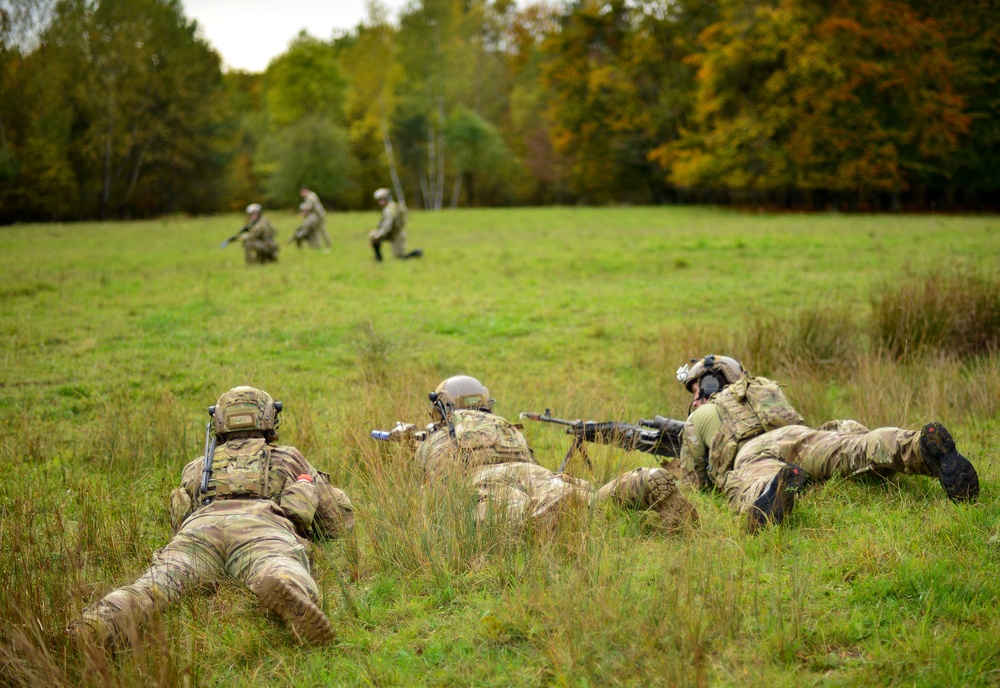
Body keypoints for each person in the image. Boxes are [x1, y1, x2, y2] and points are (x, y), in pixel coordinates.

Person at [68, 386, 355, 648]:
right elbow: (336, 524)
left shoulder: (197, 467)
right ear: (269, 418)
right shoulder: (288, 458)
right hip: (262, 527)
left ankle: (95, 624)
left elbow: (181, 515)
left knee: (154, 586)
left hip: (198, 533)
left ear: (219, 422)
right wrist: (309, 487)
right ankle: (284, 586)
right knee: (278, 564)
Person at [673, 355, 980, 531]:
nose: (694, 397)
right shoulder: (761, 390)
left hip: (750, 453)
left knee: (754, 483)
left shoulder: (700, 416)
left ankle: (773, 492)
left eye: (696, 388)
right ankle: (918, 446)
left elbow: (693, 485)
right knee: (851, 449)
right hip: (798, 434)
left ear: (710, 383)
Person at [387, 376, 696, 531]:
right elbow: (530, 460)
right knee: (591, 500)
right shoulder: (505, 425)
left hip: (484, 482)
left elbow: (433, 487)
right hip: (536, 474)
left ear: (442, 406)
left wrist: (409, 446)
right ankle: (637, 484)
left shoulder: (438, 435)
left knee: (508, 517)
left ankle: (547, 514)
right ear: (485, 403)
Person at [369, 187, 422, 261]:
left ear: (386, 199)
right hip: (393, 233)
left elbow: (387, 227)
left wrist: (377, 236)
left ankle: (416, 253)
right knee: (373, 235)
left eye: (381, 200)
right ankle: (378, 259)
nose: (379, 203)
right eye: (378, 200)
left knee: (399, 257)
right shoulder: (392, 207)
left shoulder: (389, 210)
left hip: (397, 234)